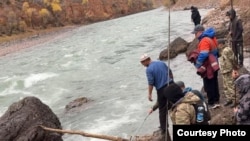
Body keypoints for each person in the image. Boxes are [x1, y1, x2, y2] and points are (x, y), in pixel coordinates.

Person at [140, 54, 173, 136]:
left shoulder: (149, 69)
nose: (142, 64)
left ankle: (164, 127)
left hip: (162, 88)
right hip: (171, 84)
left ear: (147, 60)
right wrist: (172, 81)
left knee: (162, 109)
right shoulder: (161, 63)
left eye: (142, 62)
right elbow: (170, 72)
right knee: (174, 103)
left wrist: (149, 94)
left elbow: (151, 83)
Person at [191, 24, 220, 109]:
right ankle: (216, 99)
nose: (195, 35)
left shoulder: (204, 40)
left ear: (200, 32)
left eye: (195, 33)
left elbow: (204, 54)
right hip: (214, 64)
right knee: (214, 82)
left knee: (208, 83)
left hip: (208, 66)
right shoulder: (211, 38)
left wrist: (198, 64)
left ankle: (211, 102)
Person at [217, 38, 238, 108]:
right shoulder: (223, 50)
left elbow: (233, 58)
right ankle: (229, 99)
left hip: (228, 70)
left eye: (218, 45)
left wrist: (235, 68)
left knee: (230, 85)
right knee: (226, 86)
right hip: (224, 70)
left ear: (221, 44)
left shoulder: (227, 50)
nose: (218, 46)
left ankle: (235, 100)